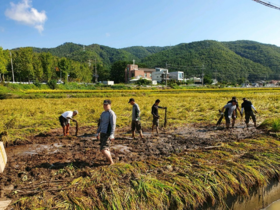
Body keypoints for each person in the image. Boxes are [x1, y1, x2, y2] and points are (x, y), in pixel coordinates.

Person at [96, 100, 116, 165]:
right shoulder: (103, 113)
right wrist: (98, 132)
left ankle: (111, 162)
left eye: (106, 105)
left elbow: (113, 124)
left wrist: (112, 134)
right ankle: (108, 160)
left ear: (110, 105)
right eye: (104, 105)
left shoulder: (111, 113)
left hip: (107, 133)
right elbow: (101, 123)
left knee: (103, 149)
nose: (105, 106)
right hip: (102, 133)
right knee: (106, 148)